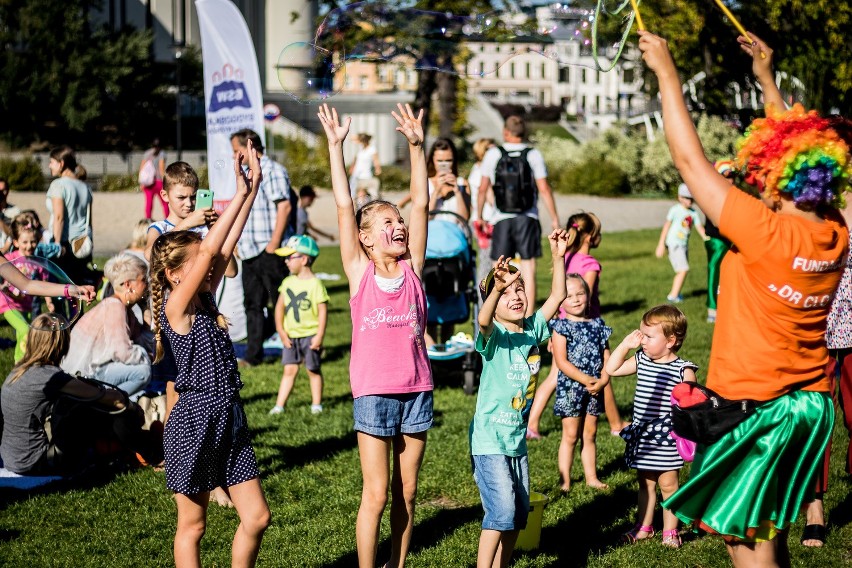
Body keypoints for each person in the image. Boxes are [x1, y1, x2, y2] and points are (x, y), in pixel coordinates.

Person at [641, 30, 849, 566]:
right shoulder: (833, 232)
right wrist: (766, 81)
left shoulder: (766, 232)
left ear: (776, 178)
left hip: (755, 414)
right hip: (806, 407)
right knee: (766, 534)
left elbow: (690, 162)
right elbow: (796, 150)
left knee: (748, 543)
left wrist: (666, 72)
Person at [318, 102, 431, 568]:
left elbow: (421, 202)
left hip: (417, 390)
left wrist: (416, 147)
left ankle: (397, 564)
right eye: (387, 223)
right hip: (372, 393)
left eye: (398, 222)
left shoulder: (414, 269)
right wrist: (335, 147)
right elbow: (345, 205)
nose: (398, 226)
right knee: (377, 493)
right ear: (365, 238)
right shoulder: (358, 272)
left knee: (407, 492)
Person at [150, 138, 269, 567]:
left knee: (256, 517)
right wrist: (236, 193)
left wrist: (249, 190)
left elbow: (224, 244)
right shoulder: (175, 307)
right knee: (193, 526)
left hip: (229, 414)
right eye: (196, 263)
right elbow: (208, 251)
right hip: (194, 421)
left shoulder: (204, 298)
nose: (207, 265)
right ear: (173, 273)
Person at [470, 231, 567, 568]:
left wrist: (557, 256)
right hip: (489, 440)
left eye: (519, 288)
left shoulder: (532, 330)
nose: (516, 296)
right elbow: (482, 320)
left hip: (515, 442)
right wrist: (496, 287)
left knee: (519, 513)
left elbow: (558, 295)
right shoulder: (493, 336)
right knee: (501, 510)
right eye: (506, 293)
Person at [0, 313, 158, 475]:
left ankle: (123, 448)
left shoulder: (19, 371)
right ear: (61, 343)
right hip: (37, 461)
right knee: (93, 408)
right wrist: (130, 407)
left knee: (79, 405)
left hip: (13, 459)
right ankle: (149, 452)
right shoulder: (48, 376)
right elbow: (109, 399)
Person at [526, 212, 630, 440]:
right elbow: (587, 299)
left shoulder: (569, 258)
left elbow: (560, 295)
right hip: (587, 328)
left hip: (562, 326)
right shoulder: (590, 264)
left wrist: (556, 331)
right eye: (598, 232)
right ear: (591, 236)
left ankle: (532, 424)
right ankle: (616, 423)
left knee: (555, 374)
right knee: (605, 371)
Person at [605, 305, 697, 548]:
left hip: (667, 438)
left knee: (669, 485)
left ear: (670, 340)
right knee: (645, 484)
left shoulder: (683, 369)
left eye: (648, 336)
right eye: (641, 334)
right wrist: (625, 345)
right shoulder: (642, 360)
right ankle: (644, 527)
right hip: (644, 437)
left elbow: (693, 404)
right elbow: (611, 369)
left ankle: (670, 531)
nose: (642, 340)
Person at [476, 115, 560, 315]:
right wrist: (555, 217)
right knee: (528, 268)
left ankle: (503, 314)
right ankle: (528, 318)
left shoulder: (494, 153)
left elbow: (482, 188)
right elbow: (544, 188)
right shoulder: (533, 154)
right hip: (527, 217)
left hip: (501, 218)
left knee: (500, 268)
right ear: (524, 133)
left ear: (505, 132)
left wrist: (479, 216)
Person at [230, 128, 294, 368]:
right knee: (253, 304)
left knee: (281, 301)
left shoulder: (273, 170)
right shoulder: (246, 173)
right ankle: (253, 355)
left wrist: (274, 244)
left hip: (270, 250)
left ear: (249, 147)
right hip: (249, 250)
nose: (234, 155)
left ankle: (292, 350)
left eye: (237, 150)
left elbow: (284, 207)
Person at [549, 273, 611, 492]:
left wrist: (603, 379)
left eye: (580, 293)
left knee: (590, 433)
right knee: (570, 435)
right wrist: (587, 380)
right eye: (569, 295)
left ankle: (591, 477)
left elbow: (607, 357)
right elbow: (561, 362)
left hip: (595, 388)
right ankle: (564, 481)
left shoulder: (598, 324)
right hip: (571, 389)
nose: (575, 299)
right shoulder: (560, 327)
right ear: (560, 300)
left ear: (589, 294)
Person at [62, 253, 152, 399]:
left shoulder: (124, 309)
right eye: (143, 280)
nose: (147, 285)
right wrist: (145, 356)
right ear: (128, 284)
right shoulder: (115, 307)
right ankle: (107, 402)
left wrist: (145, 312)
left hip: (87, 371)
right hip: (83, 374)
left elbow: (140, 341)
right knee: (143, 372)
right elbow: (122, 352)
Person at [269, 235, 329, 415]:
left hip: (310, 335)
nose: (286, 261)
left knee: (313, 369)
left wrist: (319, 336)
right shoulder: (287, 282)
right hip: (290, 335)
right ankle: (279, 406)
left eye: (290, 257)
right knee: (289, 369)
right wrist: (280, 330)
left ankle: (316, 404)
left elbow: (323, 311)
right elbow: (279, 307)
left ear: (303, 259)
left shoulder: (316, 285)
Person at [0, 221, 56, 361]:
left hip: (25, 305)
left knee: (22, 334)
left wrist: (49, 301)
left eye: (33, 242)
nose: (29, 245)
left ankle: (18, 363)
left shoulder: (38, 263)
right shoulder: (11, 258)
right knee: (26, 330)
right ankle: (21, 362)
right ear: (16, 242)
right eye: (24, 242)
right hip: (8, 303)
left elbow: (44, 284)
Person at [46, 145, 95, 285]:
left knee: (61, 289)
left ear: (61, 163)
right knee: (78, 290)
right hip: (82, 244)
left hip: (64, 243)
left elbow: (59, 217)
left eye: (51, 162)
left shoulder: (58, 185)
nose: (49, 166)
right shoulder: (85, 187)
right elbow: (89, 220)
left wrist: (56, 245)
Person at [655, 183, 708, 303]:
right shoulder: (675, 210)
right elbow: (666, 227)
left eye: (691, 198)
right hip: (674, 243)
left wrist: (707, 239)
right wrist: (661, 244)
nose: (690, 201)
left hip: (684, 244)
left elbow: (700, 228)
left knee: (682, 270)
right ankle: (673, 296)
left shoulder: (693, 213)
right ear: (680, 197)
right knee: (683, 269)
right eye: (687, 198)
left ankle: (676, 294)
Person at [703, 162, 735, 323]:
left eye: (733, 177)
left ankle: (725, 305)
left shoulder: (734, 195)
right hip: (717, 240)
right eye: (726, 176)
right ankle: (712, 307)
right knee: (714, 271)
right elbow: (716, 222)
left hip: (729, 240)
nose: (731, 181)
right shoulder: (714, 196)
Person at [468, 138, 497, 285]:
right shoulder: (483, 172)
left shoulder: (476, 168)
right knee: (488, 263)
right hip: (486, 221)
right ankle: (484, 301)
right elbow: (488, 195)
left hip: (480, 220)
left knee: (486, 261)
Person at [349, 132, 382, 204]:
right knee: (354, 195)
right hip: (356, 175)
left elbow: (376, 160)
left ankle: (364, 209)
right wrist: (352, 167)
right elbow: (355, 160)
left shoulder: (372, 149)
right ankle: (358, 210)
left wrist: (378, 168)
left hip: (366, 175)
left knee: (365, 194)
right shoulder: (361, 149)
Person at [139, 139, 168, 219]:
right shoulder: (162, 153)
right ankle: (167, 219)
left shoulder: (147, 153)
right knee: (164, 203)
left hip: (148, 182)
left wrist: (141, 183)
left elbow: (142, 168)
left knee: (149, 203)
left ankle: (148, 220)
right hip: (159, 181)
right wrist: (165, 182)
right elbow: (161, 168)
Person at [0, 177, 21, 254]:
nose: (1, 194)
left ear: (8, 191)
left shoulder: (15, 211)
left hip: (8, 252)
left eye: (3, 190)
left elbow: (15, 233)